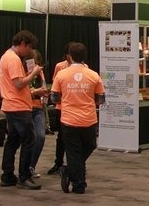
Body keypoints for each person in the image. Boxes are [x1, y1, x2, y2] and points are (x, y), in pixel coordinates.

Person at [51, 42, 105, 194]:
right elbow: (101, 99)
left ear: (69, 56)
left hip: (68, 119)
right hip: (89, 119)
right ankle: (79, 184)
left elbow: (54, 98)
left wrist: (67, 98)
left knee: (73, 152)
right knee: (89, 146)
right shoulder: (94, 75)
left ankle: (69, 171)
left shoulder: (61, 74)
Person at [0, 29, 43, 190]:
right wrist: (34, 73)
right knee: (30, 139)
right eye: (29, 47)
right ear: (23, 43)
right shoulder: (13, 59)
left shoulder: (7, 56)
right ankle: (24, 177)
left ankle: (7, 176)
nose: (29, 51)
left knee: (13, 140)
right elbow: (18, 84)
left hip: (12, 104)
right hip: (17, 105)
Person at [47, 42, 73, 175]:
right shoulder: (60, 66)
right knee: (61, 136)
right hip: (61, 107)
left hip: (75, 107)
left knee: (74, 138)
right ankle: (58, 163)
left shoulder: (84, 67)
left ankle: (73, 163)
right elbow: (55, 85)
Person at [27, 50, 49, 179]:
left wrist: (45, 93)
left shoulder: (40, 72)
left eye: (37, 63)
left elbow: (43, 87)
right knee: (28, 139)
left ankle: (31, 166)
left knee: (40, 136)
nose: (35, 65)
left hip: (39, 108)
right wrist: (35, 92)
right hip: (26, 108)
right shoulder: (22, 72)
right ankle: (25, 168)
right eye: (33, 62)